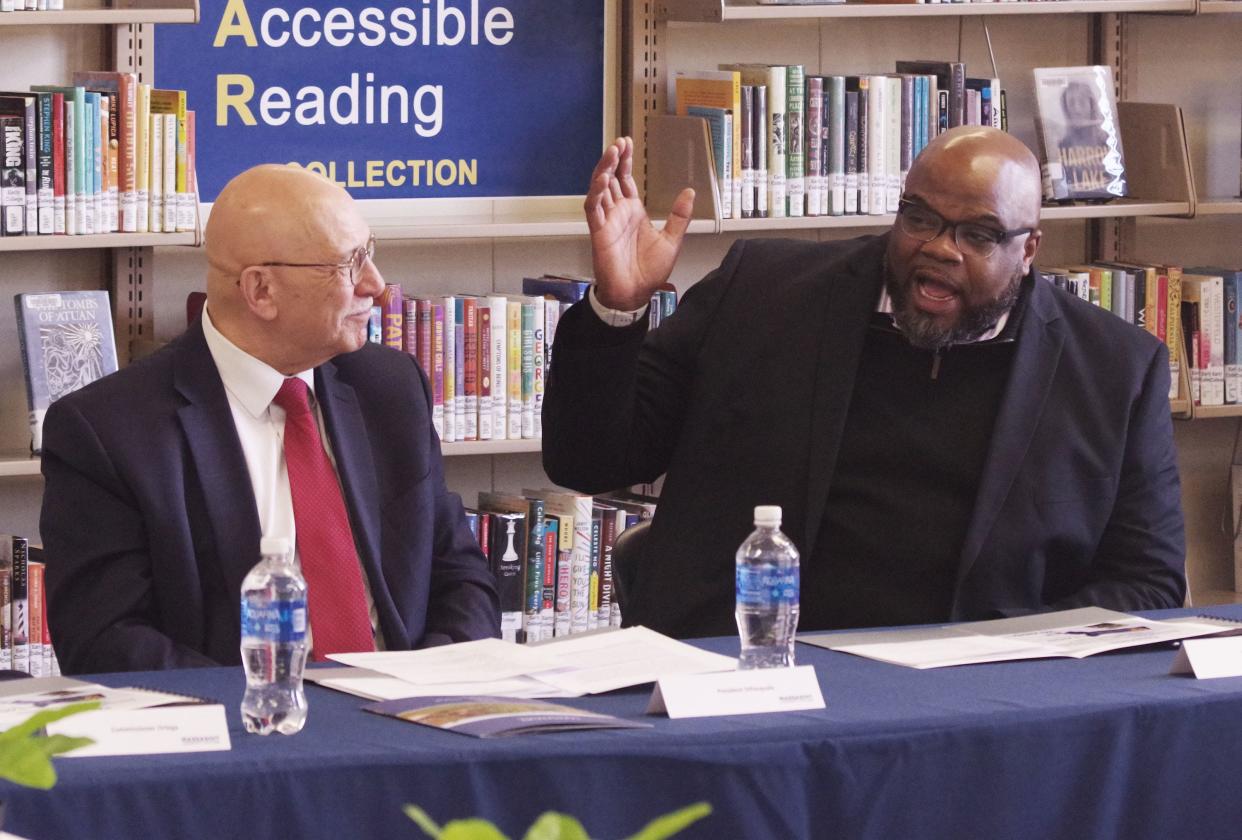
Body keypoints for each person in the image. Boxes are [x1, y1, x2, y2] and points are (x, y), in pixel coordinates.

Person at [542, 127, 1186, 639]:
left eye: (978, 235)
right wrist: (616, 310)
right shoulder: (763, 295)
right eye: (920, 219)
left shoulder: (1113, 370)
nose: (940, 248)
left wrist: (1018, 656)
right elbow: (591, 459)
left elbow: (1148, 583)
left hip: (981, 704)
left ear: (1028, 249)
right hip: (752, 677)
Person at [42, 164, 500, 674]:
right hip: (237, 734)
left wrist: (427, 688)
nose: (377, 285)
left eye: (369, 252)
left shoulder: (389, 388)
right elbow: (106, 641)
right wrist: (276, 703)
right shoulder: (108, 431)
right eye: (349, 264)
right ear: (261, 291)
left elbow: (460, 576)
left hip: (410, 720)